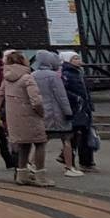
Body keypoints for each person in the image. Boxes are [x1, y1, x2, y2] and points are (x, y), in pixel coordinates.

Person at [0, 49, 51, 186]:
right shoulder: (27, 77)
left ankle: (22, 174)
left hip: (14, 118)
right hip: (30, 116)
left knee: (23, 145)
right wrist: (41, 113)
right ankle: (40, 176)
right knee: (40, 143)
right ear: (22, 61)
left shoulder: (6, 78)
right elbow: (36, 100)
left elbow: (0, 95)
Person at [31, 49, 73, 180]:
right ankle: (69, 167)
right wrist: (68, 112)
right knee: (66, 140)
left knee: (43, 140)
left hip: (42, 112)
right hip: (56, 113)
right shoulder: (53, 76)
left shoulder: (33, 75)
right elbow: (61, 96)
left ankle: (31, 163)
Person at [58, 51, 95, 175]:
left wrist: (89, 104)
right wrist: (76, 99)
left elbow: (85, 91)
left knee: (84, 134)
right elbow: (64, 91)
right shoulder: (67, 74)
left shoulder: (79, 72)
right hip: (75, 108)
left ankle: (85, 162)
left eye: (78, 57)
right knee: (74, 135)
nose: (78, 60)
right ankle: (70, 161)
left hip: (83, 108)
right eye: (75, 58)